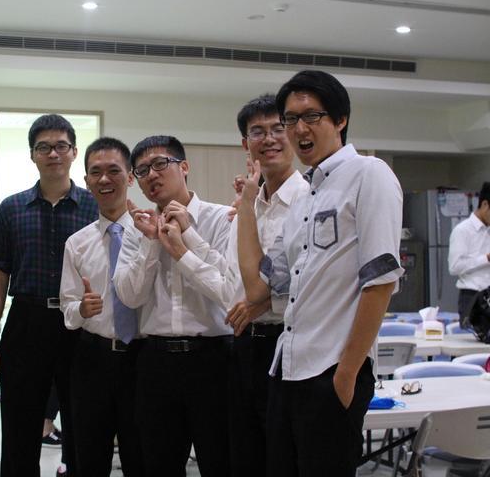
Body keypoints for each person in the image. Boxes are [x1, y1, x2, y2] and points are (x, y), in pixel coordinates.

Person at [237, 70, 403, 477]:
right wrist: (246, 206)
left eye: (311, 116)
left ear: (341, 119)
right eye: (291, 119)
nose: (299, 129)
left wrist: (346, 374)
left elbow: (380, 282)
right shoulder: (304, 200)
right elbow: (258, 286)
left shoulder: (369, 174)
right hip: (287, 369)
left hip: (331, 373)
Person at [0, 114, 98, 477]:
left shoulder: (94, 206)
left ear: (73, 152)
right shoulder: (12, 208)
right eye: (44, 147)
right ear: (32, 154)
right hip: (26, 323)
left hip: (80, 325)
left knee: (83, 424)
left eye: (61, 146)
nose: (53, 154)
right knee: (20, 427)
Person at [113, 135, 235, 477]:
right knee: (159, 465)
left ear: (184, 167)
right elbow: (130, 296)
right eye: (142, 171)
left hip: (214, 358)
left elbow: (230, 292)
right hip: (156, 361)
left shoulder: (222, 219)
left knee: (221, 462)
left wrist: (187, 240)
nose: (151, 175)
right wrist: (152, 243)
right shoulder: (135, 228)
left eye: (160, 164)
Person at [224, 94, 309, 476]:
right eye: (258, 132)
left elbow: (310, 283)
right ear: (246, 144)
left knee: (283, 458)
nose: (270, 138)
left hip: (288, 344)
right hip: (244, 345)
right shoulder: (248, 203)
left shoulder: (309, 200)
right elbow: (233, 279)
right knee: (245, 457)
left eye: (278, 128)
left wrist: (265, 301)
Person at [60, 137, 144, 477]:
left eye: (114, 171)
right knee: (90, 457)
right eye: (96, 172)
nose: (105, 179)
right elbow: (67, 308)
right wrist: (81, 309)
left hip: (142, 359)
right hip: (93, 360)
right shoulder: (77, 243)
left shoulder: (151, 233)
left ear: (130, 176)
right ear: (86, 181)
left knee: (142, 456)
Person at [448, 182, 490, 327]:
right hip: (472, 297)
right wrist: (486, 258)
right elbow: (454, 267)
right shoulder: (463, 230)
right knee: (472, 339)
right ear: (485, 205)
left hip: (489, 295)